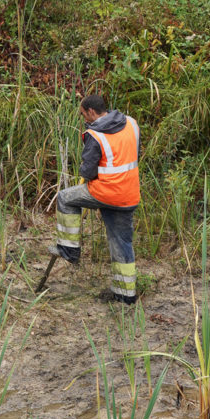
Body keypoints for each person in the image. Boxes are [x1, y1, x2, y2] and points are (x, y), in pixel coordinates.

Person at [49, 93, 140, 305]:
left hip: (106, 192)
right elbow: (136, 154)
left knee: (65, 198)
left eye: (83, 115)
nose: (84, 119)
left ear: (91, 112)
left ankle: (69, 249)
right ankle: (126, 296)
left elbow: (88, 172)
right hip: (129, 194)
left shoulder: (95, 134)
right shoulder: (132, 124)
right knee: (122, 242)